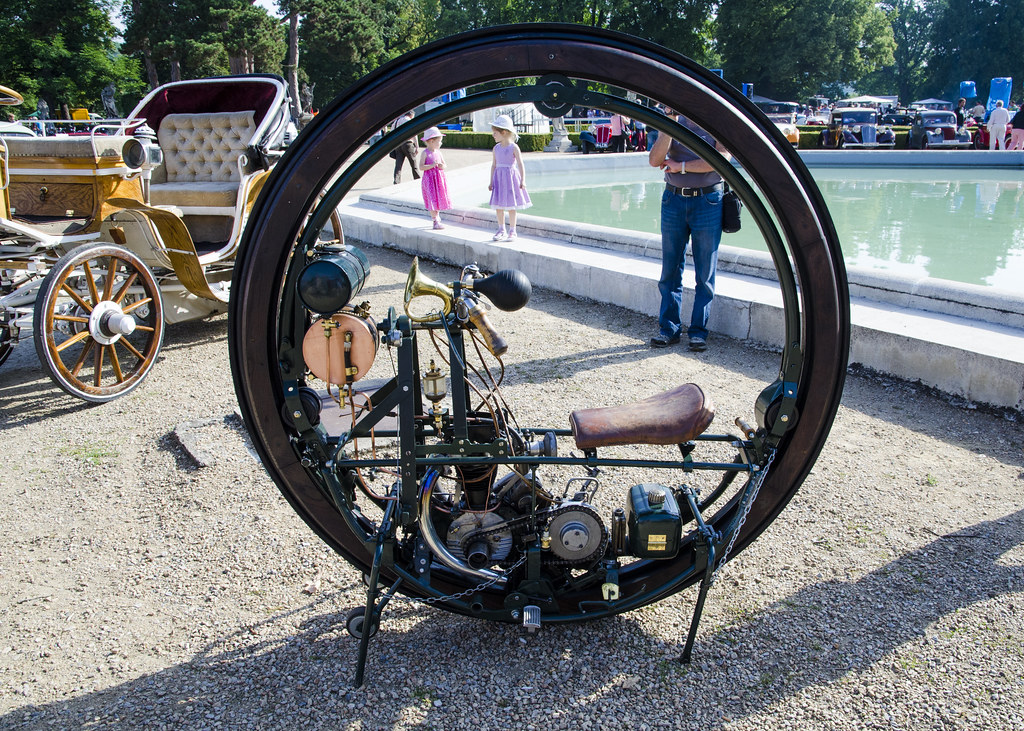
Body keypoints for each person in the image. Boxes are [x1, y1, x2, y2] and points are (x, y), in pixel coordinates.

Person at [648, 110, 731, 352]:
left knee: (705, 272)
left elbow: (722, 159)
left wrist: (680, 166)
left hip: (708, 200)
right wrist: (669, 123)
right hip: (673, 200)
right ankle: (669, 329)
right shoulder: (672, 120)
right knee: (670, 269)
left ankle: (698, 332)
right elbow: (655, 160)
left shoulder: (715, 119)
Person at [488, 114, 531, 241]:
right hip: (499, 179)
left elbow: (520, 164)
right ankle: (501, 229)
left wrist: (523, 180)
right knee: (499, 206)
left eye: (495, 133)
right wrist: (491, 181)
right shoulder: (496, 148)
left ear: (504, 132)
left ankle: (513, 230)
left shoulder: (513, 147)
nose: (493, 135)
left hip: (511, 178)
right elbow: (493, 165)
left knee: (512, 206)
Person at [419, 127, 452, 229]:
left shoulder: (439, 153)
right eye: (439, 142)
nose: (440, 144)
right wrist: (432, 165)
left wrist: (442, 166)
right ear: (432, 141)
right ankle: (435, 220)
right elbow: (421, 167)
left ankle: (437, 218)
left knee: (438, 198)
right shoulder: (425, 153)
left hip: (438, 179)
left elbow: (444, 165)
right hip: (429, 180)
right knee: (432, 199)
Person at [392, 110, 420, 184]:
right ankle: (417, 179)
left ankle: (396, 181)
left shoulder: (396, 121)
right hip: (408, 144)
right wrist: (417, 146)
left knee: (398, 165)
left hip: (398, 145)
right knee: (413, 163)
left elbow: (391, 133)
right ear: (411, 115)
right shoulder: (409, 120)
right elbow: (414, 134)